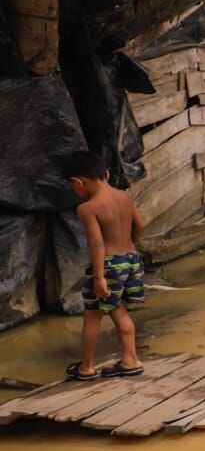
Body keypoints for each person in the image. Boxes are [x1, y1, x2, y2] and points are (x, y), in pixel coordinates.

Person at [62, 150, 146, 380]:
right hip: (131, 260)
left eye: (73, 187)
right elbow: (139, 226)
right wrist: (129, 246)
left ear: (78, 182)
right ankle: (130, 360)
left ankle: (86, 367)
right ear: (106, 174)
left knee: (92, 316)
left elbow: (97, 244)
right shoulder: (124, 197)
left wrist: (99, 277)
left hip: (107, 266)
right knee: (120, 311)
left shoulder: (87, 208)